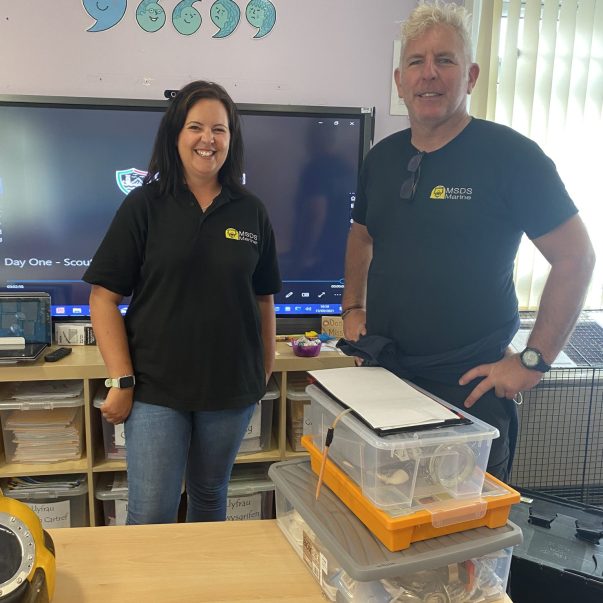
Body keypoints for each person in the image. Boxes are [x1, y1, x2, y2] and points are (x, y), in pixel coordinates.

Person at [341, 1, 595, 482]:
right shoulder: (382, 158)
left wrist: (533, 362)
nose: (429, 74)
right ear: (400, 80)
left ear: (472, 75)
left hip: (468, 390)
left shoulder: (512, 157)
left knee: (461, 546)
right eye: (416, 62)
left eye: (445, 61)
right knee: (383, 533)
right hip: (386, 377)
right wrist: (352, 306)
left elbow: (576, 258)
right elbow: (361, 234)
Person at [83, 80, 281, 524]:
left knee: (210, 497)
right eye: (196, 126)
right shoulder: (144, 205)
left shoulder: (251, 210)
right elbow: (102, 297)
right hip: (156, 390)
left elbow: (263, 297)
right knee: (152, 509)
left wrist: (262, 370)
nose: (208, 139)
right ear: (176, 135)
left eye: (220, 129)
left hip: (230, 390)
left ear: (232, 139)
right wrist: (122, 379)